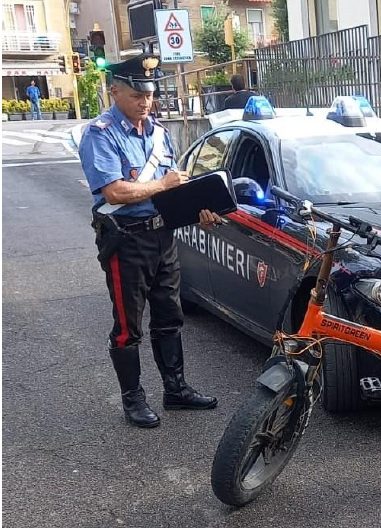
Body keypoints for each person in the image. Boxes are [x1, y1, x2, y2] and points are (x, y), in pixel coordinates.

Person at [79, 54, 221, 428]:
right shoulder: (100, 133)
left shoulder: (158, 132)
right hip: (126, 241)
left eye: (150, 94)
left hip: (162, 235)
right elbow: (114, 192)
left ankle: (175, 389)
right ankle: (133, 399)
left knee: (169, 316)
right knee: (129, 326)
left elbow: (172, 187)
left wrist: (198, 208)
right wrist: (164, 184)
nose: (145, 102)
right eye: (136, 95)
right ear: (115, 91)